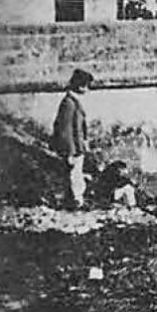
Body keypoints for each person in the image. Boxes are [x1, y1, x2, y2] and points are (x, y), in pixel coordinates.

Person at [51, 68, 93, 209]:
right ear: (80, 86)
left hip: (77, 147)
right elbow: (65, 130)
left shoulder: (74, 101)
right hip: (73, 148)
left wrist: (84, 142)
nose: (88, 90)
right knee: (74, 175)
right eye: (87, 86)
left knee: (76, 174)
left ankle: (75, 200)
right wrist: (69, 152)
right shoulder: (69, 103)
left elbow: (80, 126)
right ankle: (76, 201)